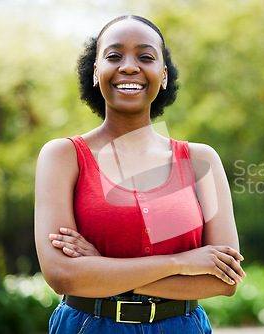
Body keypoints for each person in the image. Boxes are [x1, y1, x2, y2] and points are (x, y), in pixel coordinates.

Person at [34, 15, 245, 334]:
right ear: (95, 72)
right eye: (114, 56)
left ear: (162, 76)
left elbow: (224, 280)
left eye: (145, 57)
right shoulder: (63, 156)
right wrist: (183, 263)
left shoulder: (200, 160)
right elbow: (62, 275)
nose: (129, 67)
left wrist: (101, 268)